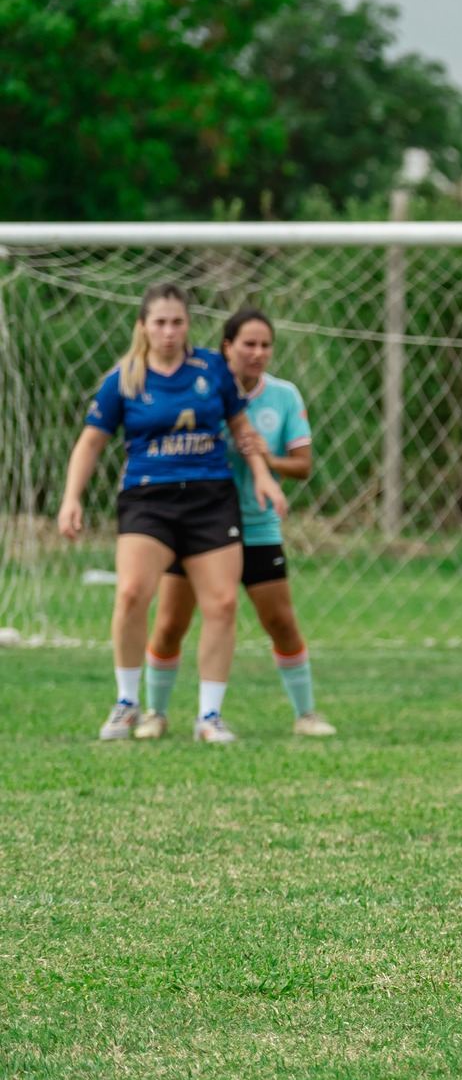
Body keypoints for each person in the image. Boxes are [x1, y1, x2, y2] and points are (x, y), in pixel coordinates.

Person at [57, 283, 288, 743]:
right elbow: (91, 442)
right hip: (149, 498)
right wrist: (71, 498)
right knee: (132, 594)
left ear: (188, 325)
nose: (168, 331)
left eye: (177, 322)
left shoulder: (212, 370)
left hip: (209, 498)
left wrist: (262, 473)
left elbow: (240, 426)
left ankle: (209, 715)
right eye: (159, 322)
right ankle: (126, 703)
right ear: (143, 326)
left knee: (221, 603)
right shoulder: (123, 378)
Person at [139, 308, 334, 738]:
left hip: (257, 527)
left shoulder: (284, 396)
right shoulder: (202, 391)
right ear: (227, 346)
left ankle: (306, 714)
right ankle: (155, 713)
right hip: (196, 527)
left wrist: (267, 460)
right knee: (170, 624)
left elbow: (302, 465)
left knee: (281, 622)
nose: (258, 353)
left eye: (266, 345)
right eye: (249, 343)